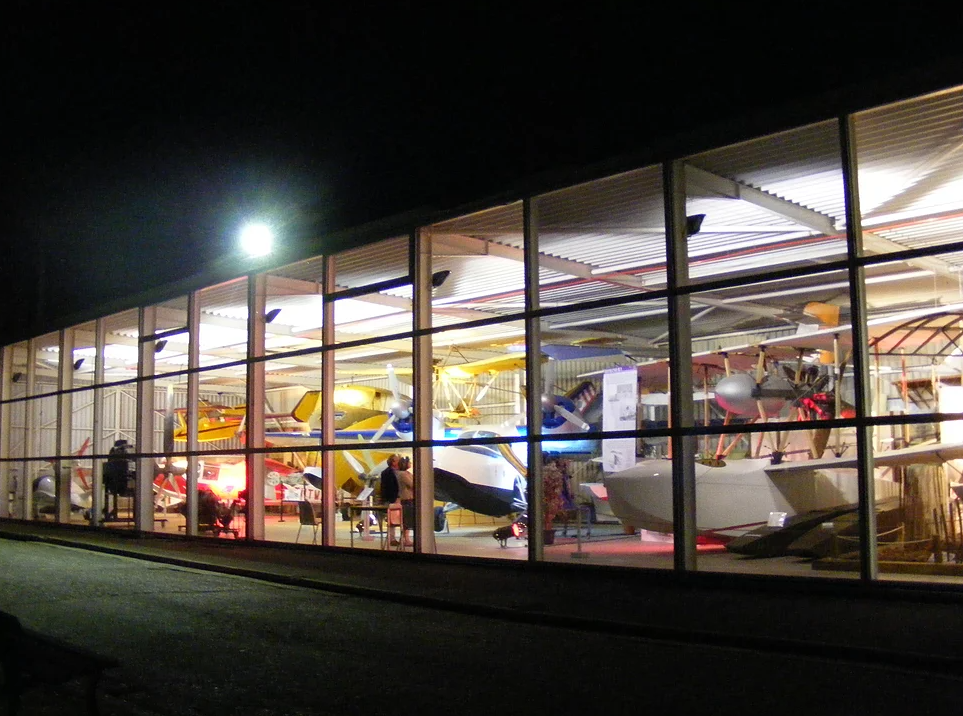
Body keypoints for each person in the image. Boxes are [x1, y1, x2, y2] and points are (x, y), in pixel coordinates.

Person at [396, 455, 415, 547]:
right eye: (409, 462)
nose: (410, 463)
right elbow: (412, 484)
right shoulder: (402, 474)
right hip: (406, 499)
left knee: (409, 520)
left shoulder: (407, 473)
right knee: (406, 521)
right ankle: (406, 539)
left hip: (410, 499)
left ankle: (407, 539)